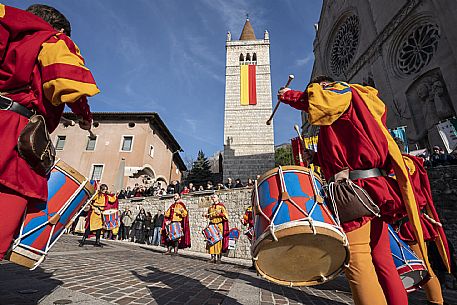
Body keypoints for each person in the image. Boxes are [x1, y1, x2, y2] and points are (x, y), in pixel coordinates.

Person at [278, 76, 428, 305]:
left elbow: (321, 100)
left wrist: (289, 95)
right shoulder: (359, 107)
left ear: (325, 87)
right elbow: (354, 147)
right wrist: (317, 157)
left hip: (354, 191)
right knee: (383, 259)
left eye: (316, 90)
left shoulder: (341, 92)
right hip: (373, 186)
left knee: (357, 262)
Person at [0, 4, 99, 261]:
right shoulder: (52, 39)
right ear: (61, 28)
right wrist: (84, 116)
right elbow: (68, 81)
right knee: (8, 201)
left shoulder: (5, 26)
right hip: (12, 132)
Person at [391, 138, 451, 305]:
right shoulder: (406, 162)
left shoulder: (403, 163)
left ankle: (436, 301)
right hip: (405, 220)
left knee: (422, 266)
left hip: (408, 221)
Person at [204, 194, 229, 264]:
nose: (213, 198)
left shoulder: (221, 206)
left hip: (219, 225)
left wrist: (220, 214)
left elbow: (226, 216)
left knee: (218, 241)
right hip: (212, 225)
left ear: (218, 198)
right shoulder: (210, 207)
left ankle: (219, 258)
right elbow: (209, 216)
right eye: (212, 197)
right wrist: (206, 215)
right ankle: (212, 257)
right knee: (211, 241)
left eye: (214, 197)